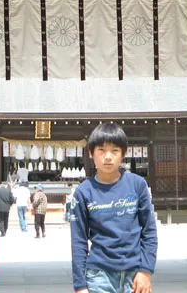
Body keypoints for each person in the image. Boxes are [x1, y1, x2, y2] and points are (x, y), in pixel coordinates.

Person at [70, 123, 157, 293]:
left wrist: (146, 270)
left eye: (114, 151)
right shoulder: (83, 192)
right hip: (99, 275)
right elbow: (78, 240)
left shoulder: (137, 185)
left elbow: (149, 231)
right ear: (91, 153)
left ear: (123, 154)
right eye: (101, 150)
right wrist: (80, 286)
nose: (108, 157)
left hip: (135, 273)